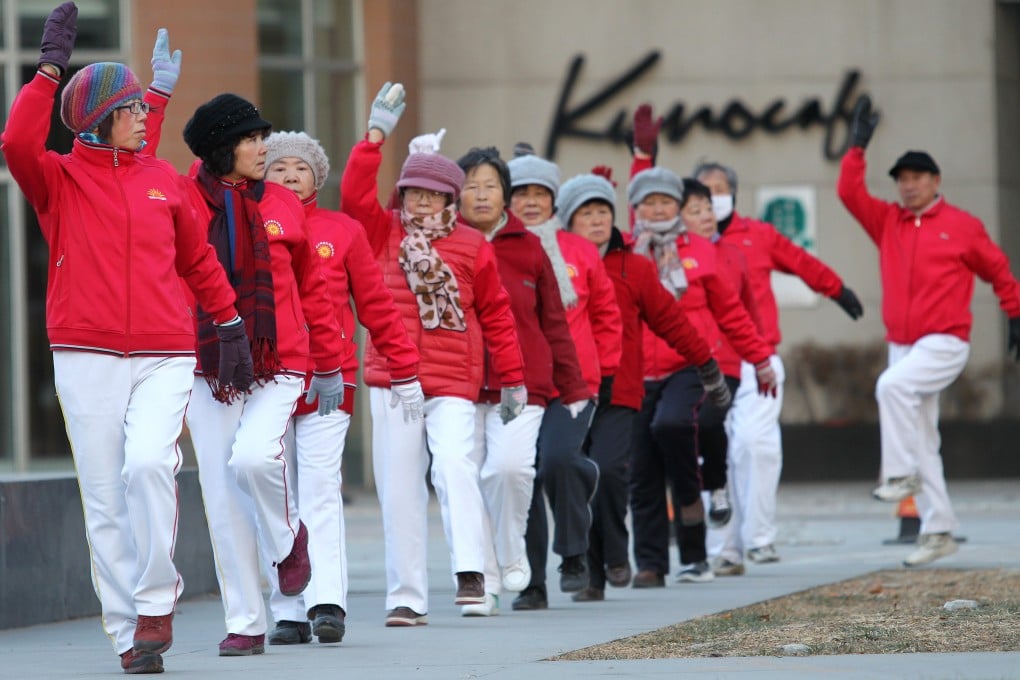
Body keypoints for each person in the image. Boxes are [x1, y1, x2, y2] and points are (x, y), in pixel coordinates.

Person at [0, 5, 252, 674]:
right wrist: (50, 68)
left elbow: (197, 259)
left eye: (147, 105)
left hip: (165, 352)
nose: (145, 114)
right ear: (101, 117)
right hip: (85, 355)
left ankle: (155, 601)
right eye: (134, 106)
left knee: (148, 465)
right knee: (104, 499)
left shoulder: (162, 181)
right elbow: (18, 143)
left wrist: (228, 323)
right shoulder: (58, 180)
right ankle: (126, 636)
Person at [340, 83, 527, 626]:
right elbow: (354, 196)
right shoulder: (381, 232)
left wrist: (512, 380)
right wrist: (374, 138)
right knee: (398, 487)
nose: (419, 202)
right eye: (412, 192)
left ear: (450, 199)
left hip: (453, 380)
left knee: (453, 466)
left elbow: (495, 314)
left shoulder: (472, 245)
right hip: (393, 379)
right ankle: (407, 596)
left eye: (431, 194)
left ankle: (471, 574)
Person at [174, 93, 348, 656]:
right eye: (250, 139)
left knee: (252, 458)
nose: (262, 147)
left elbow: (315, 289)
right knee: (222, 497)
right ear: (223, 147)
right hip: (211, 364)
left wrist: (328, 365)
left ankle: (285, 540)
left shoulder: (282, 203)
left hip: (281, 359)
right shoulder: (184, 199)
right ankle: (246, 622)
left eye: (261, 136)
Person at [838, 95, 1020, 567]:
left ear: (935, 181)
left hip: (945, 341)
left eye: (916, 178)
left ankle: (898, 476)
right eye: (901, 179)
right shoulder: (888, 222)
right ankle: (939, 528)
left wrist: (1015, 312)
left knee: (891, 386)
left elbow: (998, 270)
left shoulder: (961, 226)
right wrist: (857, 146)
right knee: (923, 439)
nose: (908, 185)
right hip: (903, 343)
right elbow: (848, 194)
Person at [260, 131, 423, 642]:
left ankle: (326, 601)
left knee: (321, 487)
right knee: (275, 492)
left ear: (318, 176)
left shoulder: (343, 230)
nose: (289, 175)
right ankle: (287, 607)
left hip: (333, 382)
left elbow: (377, 306)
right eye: (279, 166)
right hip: (267, 380)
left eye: (301, 167)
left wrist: (406, 369)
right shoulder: (248, 224)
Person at [555, 170, 730, 602]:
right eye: (585, 213)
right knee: (580, 478)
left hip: (618, 391)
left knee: (612, 472)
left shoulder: (633, 267)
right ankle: (594, 573)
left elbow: (670, 320)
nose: (596, 221)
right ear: (567, 221)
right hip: (569, 394)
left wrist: (706, 363)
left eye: (602, 212)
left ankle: (617, 551)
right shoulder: (555, 265)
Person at [688, 155, 863, 574]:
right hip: (705, 363)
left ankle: (760, 538)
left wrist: (837, 290)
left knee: (753, 444)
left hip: (756, 359)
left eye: (719, 192)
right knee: (713, 452)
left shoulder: (758, 235)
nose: (712, 202)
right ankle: (723, 551)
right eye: (703, 194)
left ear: (733, 193)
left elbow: (802, 263)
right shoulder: (682, 249)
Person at [625, 158, 777, 586]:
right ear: (636, 207)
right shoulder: (626, 252)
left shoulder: (700, 251)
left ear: (677, 206)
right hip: (637, 371)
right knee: (643, 472)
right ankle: (651, 564)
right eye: (648, 202)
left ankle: (692, 520)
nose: (657, 209)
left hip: (688, 364)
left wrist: (760, 359)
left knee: (674, 425)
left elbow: (731, 313)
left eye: (665, 202)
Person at [455, 146, 590, 616]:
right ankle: (486, 582)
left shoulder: (530, 247)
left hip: (522, 384)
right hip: (462, 383)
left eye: (490, 185)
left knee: (509, 469)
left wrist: (572, 389)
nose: (481, 194)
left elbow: (554, 321)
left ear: (504, 195)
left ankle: (511, 554)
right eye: (471, 185)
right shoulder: (442, 242)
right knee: (467, 482)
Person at [507, 150, 623, 611]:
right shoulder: (497, 249)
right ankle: (532, 582)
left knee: (557, 460)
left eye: (540, 193)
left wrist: (607, 374)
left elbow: (606, 316)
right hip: (518, 384)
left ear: (554, 200)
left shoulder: (578, 250)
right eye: (521, 193)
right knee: (523, 477)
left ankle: (573, 552)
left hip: (575, 383)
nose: (531, 202)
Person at [674, 177, 760, 533]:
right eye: (695, 210)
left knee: (709, 420)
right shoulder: (669, 253)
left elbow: (747, 309)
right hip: (683, 364)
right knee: (678, 428)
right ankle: (691, 496)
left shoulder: (730, 253)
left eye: (708, 207)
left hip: (724, 361)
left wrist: (760, 352)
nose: (706, 215)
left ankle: (717, 487)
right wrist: (642, 157)